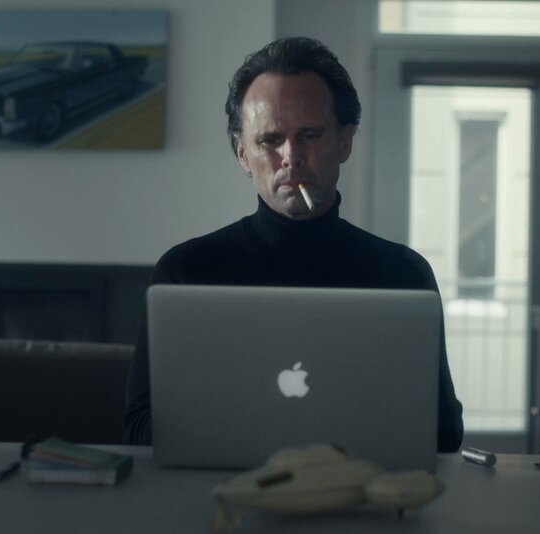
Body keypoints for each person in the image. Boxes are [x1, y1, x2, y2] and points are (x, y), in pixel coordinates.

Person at [123, 37, 464, 452]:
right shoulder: (186, 271)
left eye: (309, 135)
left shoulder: (404, 274)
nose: (291, 156)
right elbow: (140, 429)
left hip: (358, 489)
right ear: (243, 154)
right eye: (270, 140)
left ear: (345, 141)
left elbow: (444, 433)